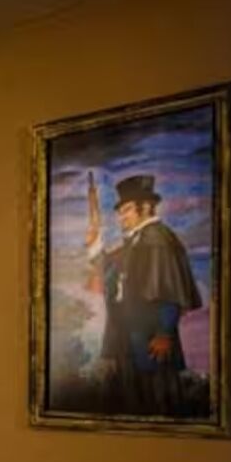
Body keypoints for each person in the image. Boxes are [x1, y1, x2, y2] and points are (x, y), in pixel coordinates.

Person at [85, 173, 204, 414]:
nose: (121, 217)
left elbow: (169, 291)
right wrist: (95, 241)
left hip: (151, 340)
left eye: (127, 210)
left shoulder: (157, 240)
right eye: (120, 212)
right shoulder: (136, 241)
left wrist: (163, 333)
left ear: (146, 208)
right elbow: (108, 268)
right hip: (128, 338)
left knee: (156, 400)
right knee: (133, 401)